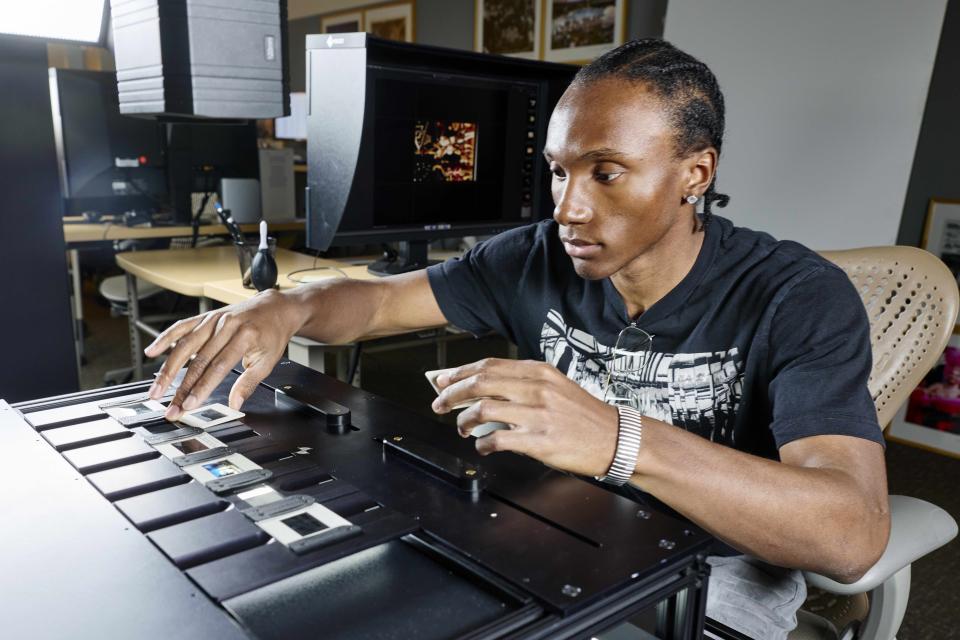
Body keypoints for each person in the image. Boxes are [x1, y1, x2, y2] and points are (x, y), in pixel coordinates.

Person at [145, 39, 890, 640]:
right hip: (542, 529)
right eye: (560, 172)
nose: (568, 208)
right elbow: (374, 306)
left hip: (712, 574)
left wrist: (617, 439)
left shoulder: (797, 296)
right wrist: (285, 308)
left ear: (695, 173)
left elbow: (851, 532)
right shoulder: (536, 256)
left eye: (606, 174)